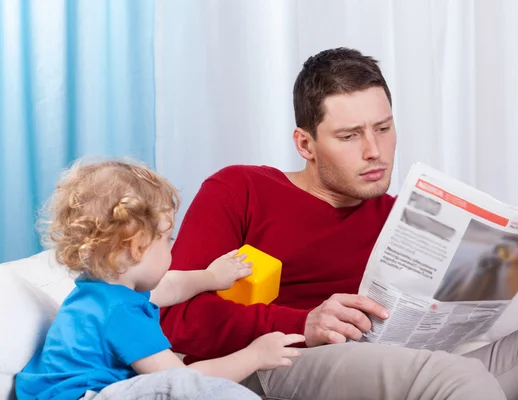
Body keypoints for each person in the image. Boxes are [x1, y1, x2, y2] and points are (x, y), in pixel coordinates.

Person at [160, 48, 518, 399]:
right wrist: (304, 323)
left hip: (414, 369)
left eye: (384, 128)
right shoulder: (240, 189)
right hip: (286, 362)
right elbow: (174, 316)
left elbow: (489, 259)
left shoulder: (402, 215)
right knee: (455, 378)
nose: (375, 151)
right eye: (350, 136)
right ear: (305, 144)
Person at [16, 159, 304, 400]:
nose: (171, 248)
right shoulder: (121, 314)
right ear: (136, 247)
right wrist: (253, 356)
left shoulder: (101, 292)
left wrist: (212, 277)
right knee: (194, 388)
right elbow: (181, 380)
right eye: (167, 240)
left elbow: (171, 286)